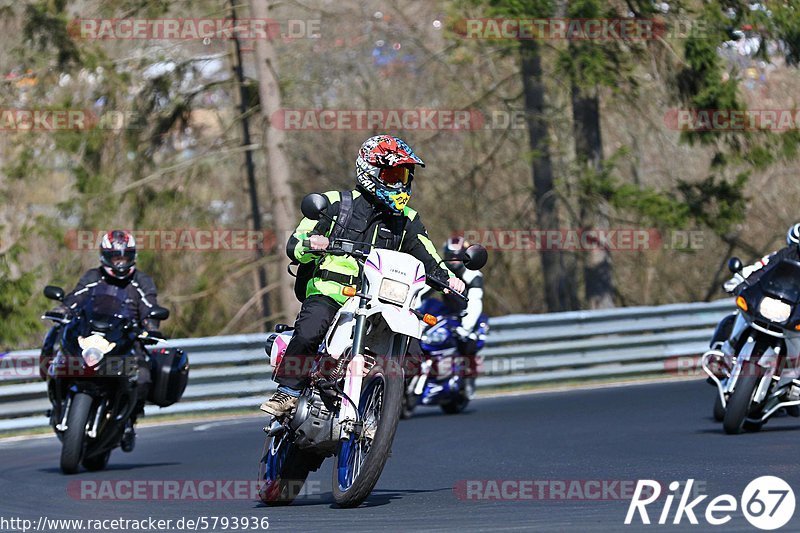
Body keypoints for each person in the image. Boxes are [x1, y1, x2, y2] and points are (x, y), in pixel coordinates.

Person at [260, 135, 466, 417]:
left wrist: (448, 279)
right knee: (310, 329)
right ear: (370, 173)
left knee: (415, 353)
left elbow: (427, 255)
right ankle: (289, 391)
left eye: (404, 175)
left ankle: (379, 406)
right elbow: (296, 243)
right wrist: (311, 244)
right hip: (333, 294)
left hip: (382, 301)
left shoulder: (406, 220)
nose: (400, 183)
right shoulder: (335, 204)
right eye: (392, 174)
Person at [41, 230, 161, 451]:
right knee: (60, 357)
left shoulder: (141, 282)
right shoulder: (93, 277)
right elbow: (77, 296)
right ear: (106, 256)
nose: (121, 262)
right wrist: (62, 309)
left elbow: (149, 306)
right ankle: (58, 403)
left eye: (125, 257)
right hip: (91, 336)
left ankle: (128, 422)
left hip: (125, 338)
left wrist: (150, 325)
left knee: (143, 376)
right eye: (117, 257)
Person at [711, 223, 800, 356]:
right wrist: (744, 284)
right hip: (772, 298)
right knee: (738, 314)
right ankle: (721, 351)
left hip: (795, 311)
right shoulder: (788, 253)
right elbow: (765, 269)